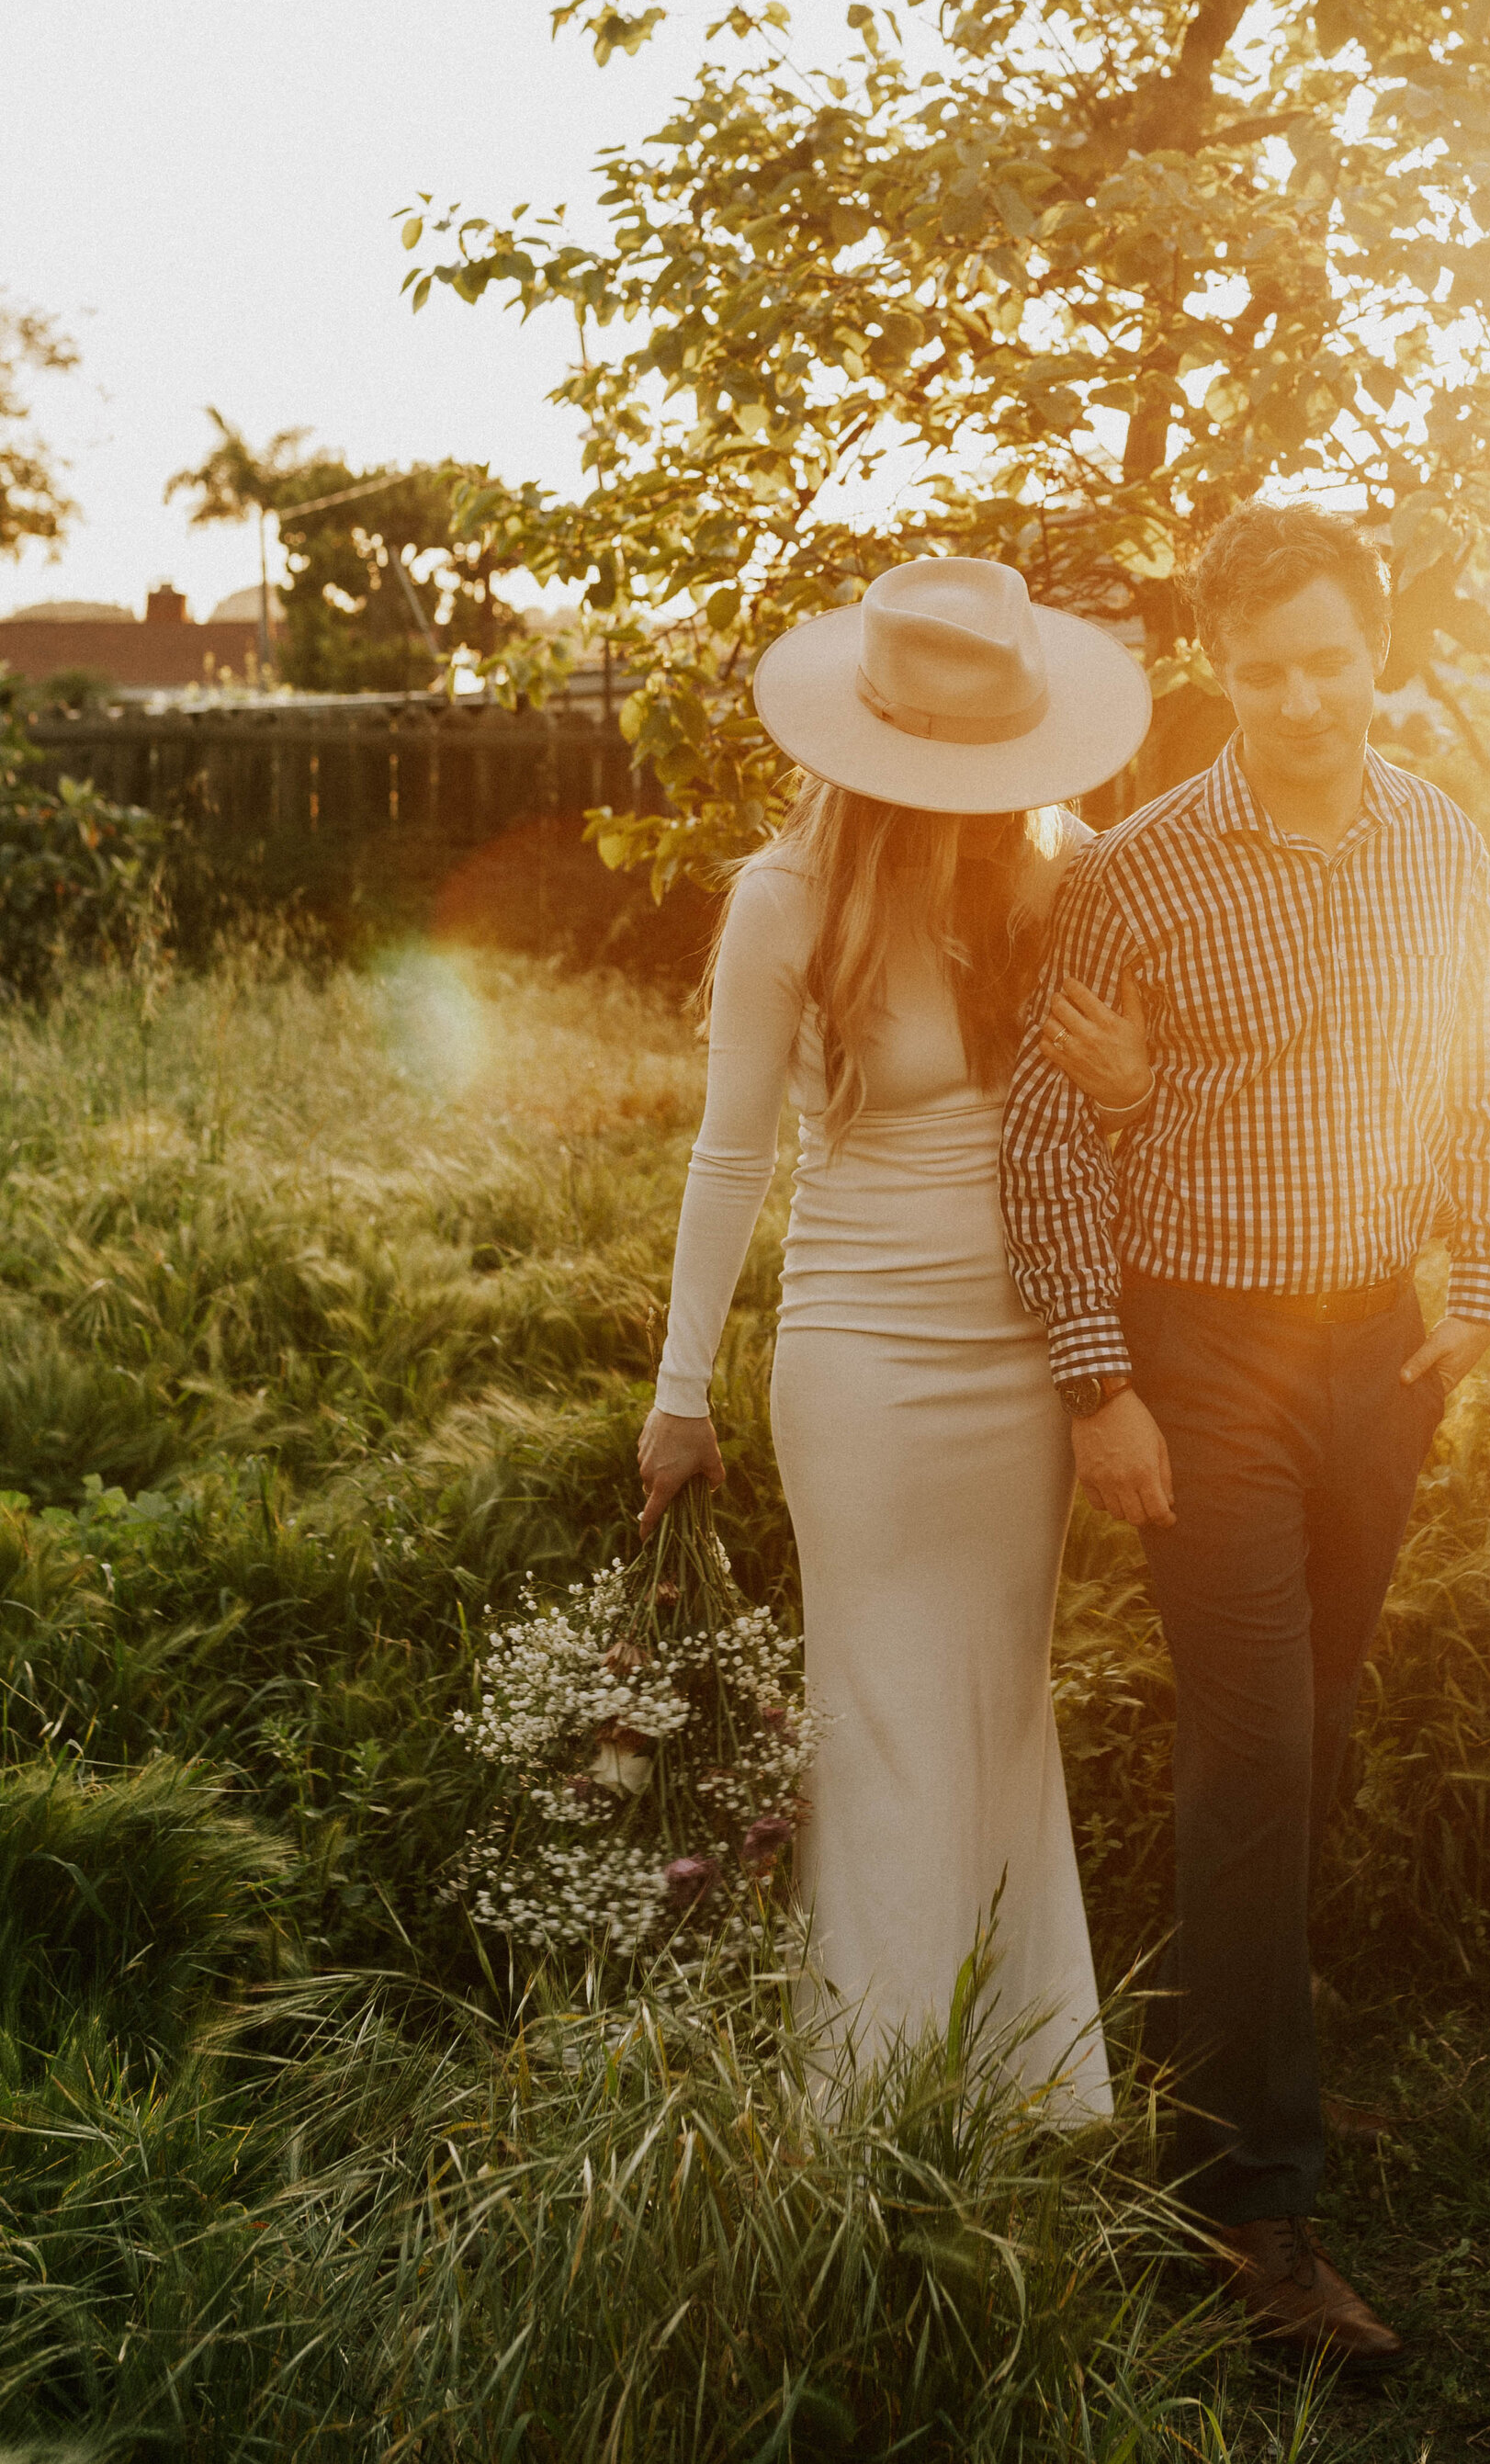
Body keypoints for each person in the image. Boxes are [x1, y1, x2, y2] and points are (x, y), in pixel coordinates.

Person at [1000, 503, 1490, 2359]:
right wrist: (1099, 1387)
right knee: (1251, 1749)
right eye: (1261, 671)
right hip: (1201, 1353)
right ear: (1212, 671)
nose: (1301, 700)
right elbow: (1048, 1143)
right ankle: (1252, 2211)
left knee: (1312, 1735)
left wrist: (1484, 1276)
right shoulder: (1138, 869)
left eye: (1327, 662)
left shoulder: (1440, 840)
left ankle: (1230, 2070)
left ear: (1378, 653)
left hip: (1373, 1350)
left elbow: (1484, 1058)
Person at [638, 554, 1153, 2107]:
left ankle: (1021, 2080)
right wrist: (680, 1389)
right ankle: (868, 2094)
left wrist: (1134, 1089)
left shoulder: (1066, 870)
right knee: (874, 1713)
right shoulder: (783, 898)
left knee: (996, 1702)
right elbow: (730, 1153)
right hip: (857, 1359)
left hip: (1025, 1356)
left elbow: (1140, 1108)